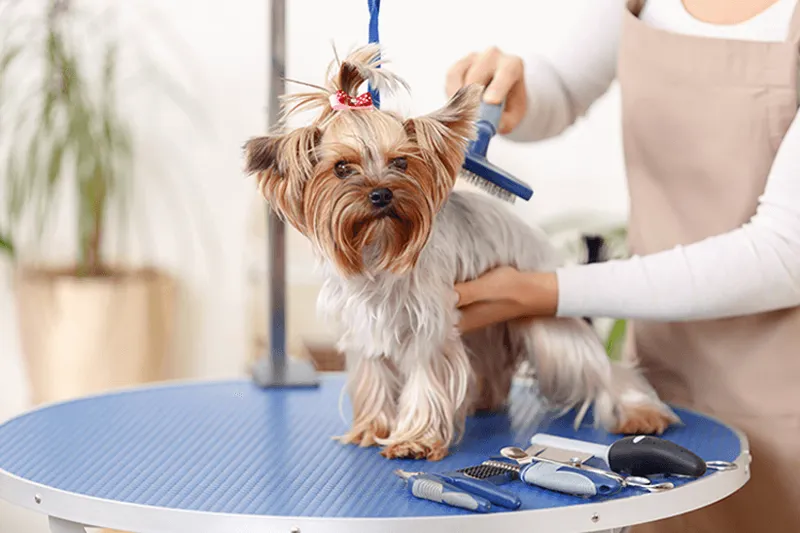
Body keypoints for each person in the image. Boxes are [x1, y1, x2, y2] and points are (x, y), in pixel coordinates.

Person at [446, 0, 800, 532]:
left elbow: (784, 253)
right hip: (659, 384)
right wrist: (518, 90)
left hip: (785, 392)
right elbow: (562, 86)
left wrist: (546, 292)